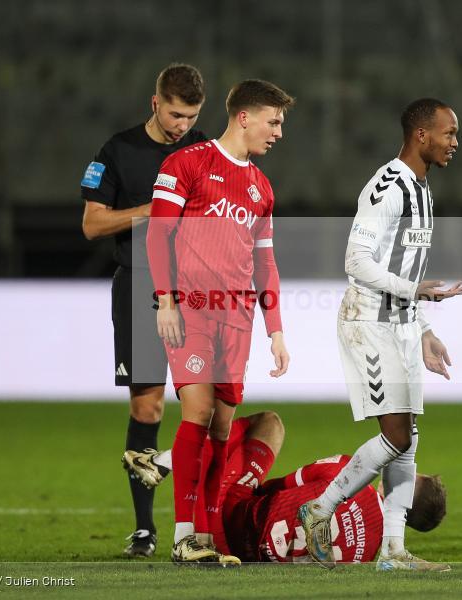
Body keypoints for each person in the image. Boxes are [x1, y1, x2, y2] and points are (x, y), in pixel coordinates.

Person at [296, 98, 462, 571]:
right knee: (395, 436)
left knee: (408, 438)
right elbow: (356, 261)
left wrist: (425, 327)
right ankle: (320, 509)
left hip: (404, 324)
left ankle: (393, 551)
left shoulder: (423, 190)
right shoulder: (387, 187)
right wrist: (415, 293)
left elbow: (403, 264)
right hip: (368, 322)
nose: (455, 142)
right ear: (421, 135)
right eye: (449, 133)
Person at [146, 79, 294, 564]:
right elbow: (160, 235)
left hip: (238, 319)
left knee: (223, 428)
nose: (277, 134)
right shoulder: (187, 163)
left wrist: (274, 329)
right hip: (191, 307)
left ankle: (208, 538)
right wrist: (165, 300)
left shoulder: (261, 189)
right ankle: (184, 535)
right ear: (244, 117)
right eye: (273, 122)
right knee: (199, 413)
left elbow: (264, 264)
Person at [79, 63, 207, 557]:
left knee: (208, 405)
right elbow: (92, 224)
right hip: (140, 288)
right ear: (155, 103)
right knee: (148, 406)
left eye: (190, 116)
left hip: (196, 291)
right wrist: (152, 210)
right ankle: (144, 529)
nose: (181, 125)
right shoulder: (119, 151)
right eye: (175, 114)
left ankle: (195, 525)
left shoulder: (203, 152)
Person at [122, 411, 447, 565]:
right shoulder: (364, 556)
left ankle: (167, 460)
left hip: (224, 517)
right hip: (243, 560)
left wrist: (247, 484)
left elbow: (282, 485)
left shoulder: (348, 469)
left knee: (268, 424)